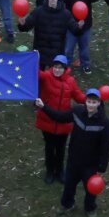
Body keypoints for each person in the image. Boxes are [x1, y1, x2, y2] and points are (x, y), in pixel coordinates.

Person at [35, 88, 109, 217]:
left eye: (94, 102)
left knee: (90, 189)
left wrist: (101, 168)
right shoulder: (77, 111)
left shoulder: (104, 122)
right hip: (74, 160)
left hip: (91, 164)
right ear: (85, 101)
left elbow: (105, 146)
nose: (91, 105)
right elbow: (60, 117)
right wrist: (43, 107)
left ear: (99, 103)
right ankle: (67, 204)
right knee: (69, 185)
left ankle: (90, 208)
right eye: (89, 101)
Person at [34, 55, 86, 183]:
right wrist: (35, 58)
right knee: (49, 147)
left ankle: (60, 171)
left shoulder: (70, 81)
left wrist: (91, 101)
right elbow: (35, 73)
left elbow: (78, 96)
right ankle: (50, 171)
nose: (57, 70)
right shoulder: (46, 76)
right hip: (47, 119)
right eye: (55, 67)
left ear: (65, 69)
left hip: (64, 122)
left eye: (60, 68)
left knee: (61, 148)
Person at [17, 0, 73, 70]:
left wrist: (80, 26)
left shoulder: (65, 14)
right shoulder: (38, 11)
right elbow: (26, 26)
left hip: (57, 51)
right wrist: (22, 24)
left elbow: (75, 29)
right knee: (38, 73)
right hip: (40, 50)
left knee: (54, 75)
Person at [62, 0, 100, 73]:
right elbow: (63, 0)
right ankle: (66, 65)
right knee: (68, 48)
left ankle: (85, 65)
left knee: (84, 47)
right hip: (71, 26)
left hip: (85, 25)